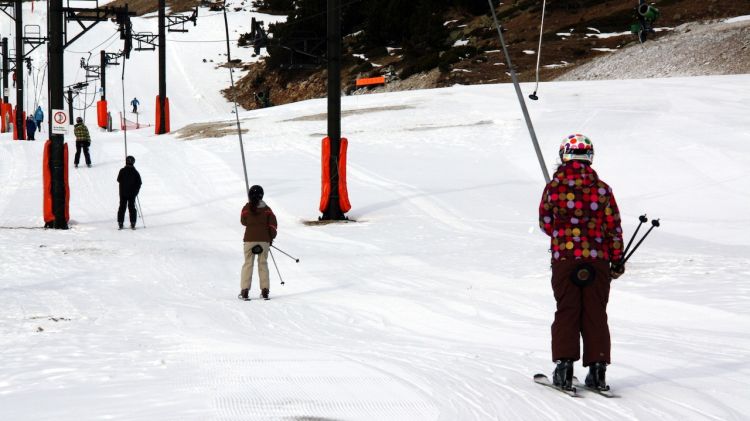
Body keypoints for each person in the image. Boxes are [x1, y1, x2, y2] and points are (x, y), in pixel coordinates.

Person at [538, 134, 624, 391]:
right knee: (595, 313)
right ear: (589, 156)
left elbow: (545, 223)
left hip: (565, 259)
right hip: (597, 260)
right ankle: (598, 371)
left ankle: (564, 367)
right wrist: (616, 259)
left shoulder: (554, 187)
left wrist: (564, 234)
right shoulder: (602, 189)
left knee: (567, 310)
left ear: (564, 155)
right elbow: (613, 228)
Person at [239, 185, 277, 301]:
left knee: (248, 264)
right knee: (263, 264)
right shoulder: (267, 209)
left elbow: (243, 221)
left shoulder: (246, 207)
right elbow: (273, 226)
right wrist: (270, 238)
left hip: (249, 240)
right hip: (264, 241)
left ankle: (245, 291)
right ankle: (265, 290)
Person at [117, 156, 142, 230]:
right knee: (132, 208)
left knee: (122, 207)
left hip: (123, 193)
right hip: (132, 193)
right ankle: (133, 223)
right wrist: (136, 191)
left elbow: (119, 179)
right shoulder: (135, 172)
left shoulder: (122, 170)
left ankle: (120, 223)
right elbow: (139, 183)